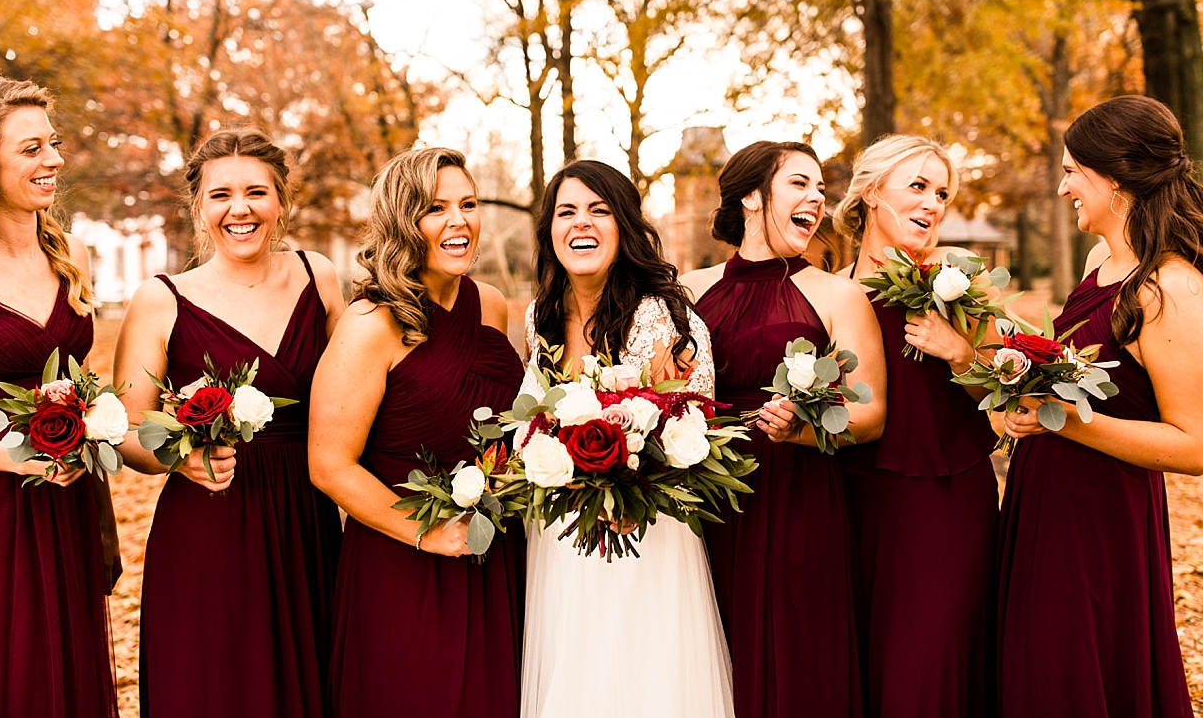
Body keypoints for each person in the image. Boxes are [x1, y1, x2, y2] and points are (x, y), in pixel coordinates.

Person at [999, 96, 1203, 718]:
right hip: (1044, 498)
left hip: (1101, 520)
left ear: (1118, 177)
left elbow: (1196, 446)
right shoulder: (1104, 264)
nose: (1062, 185)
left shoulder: (1171, 287)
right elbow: (1080, 371)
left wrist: (1068, 421)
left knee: (1072, 675)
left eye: (1074, 170)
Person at [114, 128, 346, 718]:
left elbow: (357, 390)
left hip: (306, 516)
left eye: (255, 193)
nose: (239, 209)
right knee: (218, 687)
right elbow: (124, 426)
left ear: (281, 200)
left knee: (313, 680)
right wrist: (179, 456)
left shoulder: (317, 276)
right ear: (199, 207)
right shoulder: (161, 299)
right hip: (210, 521)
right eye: (220, 195)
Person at [309, 147, 525, 717]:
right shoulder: (369, 324)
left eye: (469, 204)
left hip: (496, 553)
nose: (459, 221)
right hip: (404, 560)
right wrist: (426, 534)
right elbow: (329, 464)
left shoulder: (493, 307)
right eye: (436, 208)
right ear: (405, 221)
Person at [518, 160, 734, 718]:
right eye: (566, 212)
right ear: (549, 231)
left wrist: (637, 484)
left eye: (599, 210)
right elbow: (531, 422)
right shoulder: (537, 317)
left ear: (625, 227)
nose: (581, 224)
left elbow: (696, 433)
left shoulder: (664, 316)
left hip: (643, 538)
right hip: (561, 539)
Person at [0, 78, 118, 717]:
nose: (55, 161)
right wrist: (20, 459)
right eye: (32, 149)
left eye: (54, 143)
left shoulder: (71, 255)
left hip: (68, 508)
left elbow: (79, 380)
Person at [681, 140, 887, 718]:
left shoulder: (839, 295)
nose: (816, 199)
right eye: (800, 184)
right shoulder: (687, 291)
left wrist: (806, 428)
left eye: (821, 189)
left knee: (798, 657)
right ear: (751, 196)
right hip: (705, 501)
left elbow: (870, 415)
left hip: (799, 500)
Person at [832, 134, 999, 718]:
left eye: (943, 193)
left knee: (927, 662)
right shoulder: (827, 288)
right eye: (919, 186)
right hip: (851, 499)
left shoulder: (958, 283)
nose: (933, 203)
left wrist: (961, 354)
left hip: (947, 501)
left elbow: (1001, 396)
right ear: (873, 193)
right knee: (862, 660)